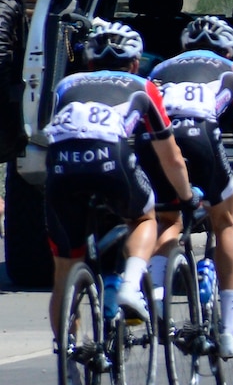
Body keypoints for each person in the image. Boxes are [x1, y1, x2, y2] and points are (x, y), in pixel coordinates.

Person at [44, 20, 186, 334]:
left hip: (60, 166)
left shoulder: (67, 85)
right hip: (109, 157)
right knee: (145, 218)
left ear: (89, 62)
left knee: (64, 274)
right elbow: (170, 155)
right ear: (135, 63)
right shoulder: (143, 85)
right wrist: (185, 195)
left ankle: (69, 364)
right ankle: (130, 286)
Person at [148, 16, 233, 359]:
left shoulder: (159, 69)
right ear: (229, 50)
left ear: (184, 47)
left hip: (157, 143)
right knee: (225, 221)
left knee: (169, 220)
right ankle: (229, 329)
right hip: (200, 136)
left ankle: (154, 293)